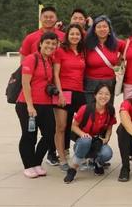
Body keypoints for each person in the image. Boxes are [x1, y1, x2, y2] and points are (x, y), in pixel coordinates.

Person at [15, 31, 59, 178]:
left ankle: (36, 162)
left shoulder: (50, 60)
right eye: (47, 43)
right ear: (41, 44)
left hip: (45, 104)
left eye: (53, 44)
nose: (50, 46)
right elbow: (25, 83)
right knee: (29, 136)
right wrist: (30, 105)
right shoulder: (31, 59)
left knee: (49, 134)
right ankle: (28, 165)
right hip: (28, 104)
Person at [63, 83, 116, 183]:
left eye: (107, 94)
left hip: (97, 142)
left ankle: (98, 163)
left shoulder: (110, 111)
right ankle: (72, 169)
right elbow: (73, 126)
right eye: (100, 93)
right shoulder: (85, 109)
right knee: (86, 140)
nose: (103, 97)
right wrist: (82, 134)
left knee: (107, 153)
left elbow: (110, 127)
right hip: (82, 143)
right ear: (95, 95)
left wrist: (107, 138)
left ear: (110, 96)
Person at [52, 24, 87, 171]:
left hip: (79, 92)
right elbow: (55, 74)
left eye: (77, 34)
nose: (74, 37)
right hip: (63, 92)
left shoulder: (82, 52)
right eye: (72, 34)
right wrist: (59, 93)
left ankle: (81, 156)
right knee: (61, 127)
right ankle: (62, 158)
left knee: (83, 125)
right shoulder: (60, 51)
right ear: (67, 35)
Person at [83, 15, 125, 105]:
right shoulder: (87, 44)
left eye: (105, 26)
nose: (102, 29)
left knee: (107, 112)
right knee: (91, 112)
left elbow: (129, 50)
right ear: (94, 30)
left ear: (109, 29)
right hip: (91, 84)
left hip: (109, 83)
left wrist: (120, 59)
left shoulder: (118, 43)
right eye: (99, 27)